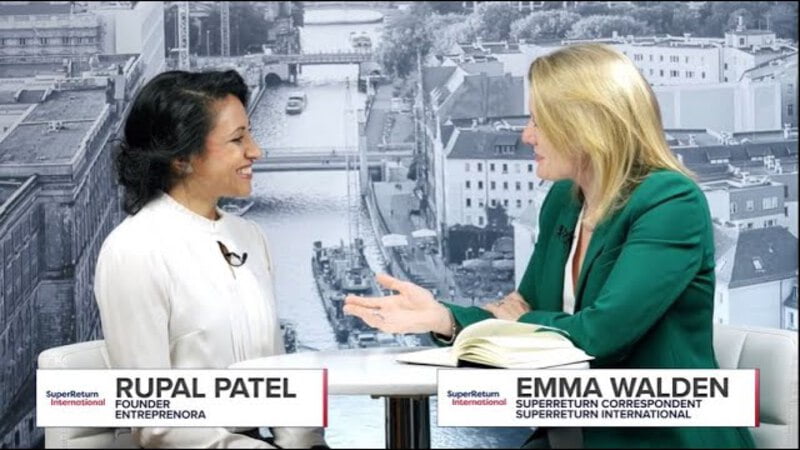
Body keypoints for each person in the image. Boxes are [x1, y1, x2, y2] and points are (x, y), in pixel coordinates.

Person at [344, 44, 755, 449]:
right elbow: (523, 312)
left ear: (587, 126)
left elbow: (599, 336)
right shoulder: (563, 200)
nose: (527, 136)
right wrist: (442, 317)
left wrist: (521, 321)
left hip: (660, 437)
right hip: (571, 433)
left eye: (539, 122)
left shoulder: (670, 201)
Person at [94, 70, 326, 449]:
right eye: (237, 139)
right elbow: (155, 421)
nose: (256, 151)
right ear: (181, 158)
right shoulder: (133, 250)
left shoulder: (250, 237)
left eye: (250, 134)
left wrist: (307, 444)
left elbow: (277, 372)